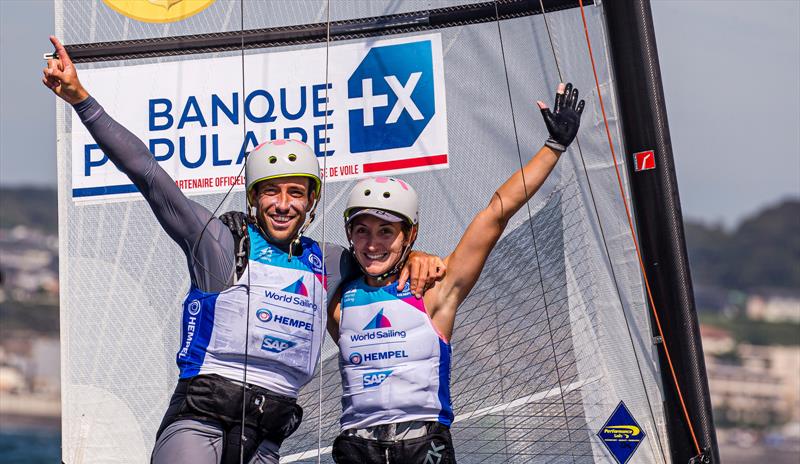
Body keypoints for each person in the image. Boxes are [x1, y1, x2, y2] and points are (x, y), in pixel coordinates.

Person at [42, 36, 444, 464]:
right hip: (199, 423)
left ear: (311, 202)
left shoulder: (330, 261)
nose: (283, 204)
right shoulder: (219, 243)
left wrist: (419, 257)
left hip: (266, 439)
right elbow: (147, 174)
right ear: (254, 199)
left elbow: (381, 254)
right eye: (271, 192)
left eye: (295, 192)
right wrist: (82, 101)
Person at [326, 83, 585, 463]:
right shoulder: (337, 303)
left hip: (422, 444)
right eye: (362, 231)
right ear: (350, 234)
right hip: (357, 448)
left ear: (408, 235)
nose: (372, 244)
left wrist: (554, 147)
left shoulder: (435, 290)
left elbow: (495, 215)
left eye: (386, 231)